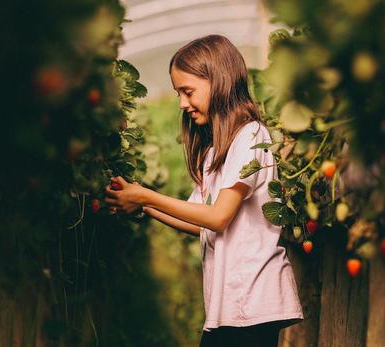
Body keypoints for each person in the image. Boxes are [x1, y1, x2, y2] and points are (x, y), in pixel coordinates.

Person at [105, 34, 303, 347]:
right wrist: (143, 206)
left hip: (252, 303)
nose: (182, 103)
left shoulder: (250, 136)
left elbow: (218, 217)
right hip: (232, 306)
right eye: (178, 94)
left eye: (188, 91)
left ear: (219, 82)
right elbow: (199, 221)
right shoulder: (215, 152)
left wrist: (145, 195)